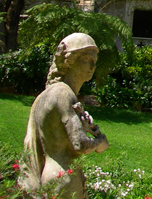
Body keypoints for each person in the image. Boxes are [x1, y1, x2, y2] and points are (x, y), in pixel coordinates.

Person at [19, 33, 110, 199]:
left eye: (94, 61)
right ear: (70, 60)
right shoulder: (63, 94)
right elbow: (80, 144)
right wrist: (100, 142)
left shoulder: (49, 94)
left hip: (54, 174)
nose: (92, 66)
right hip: (63, 177)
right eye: (86, 59)